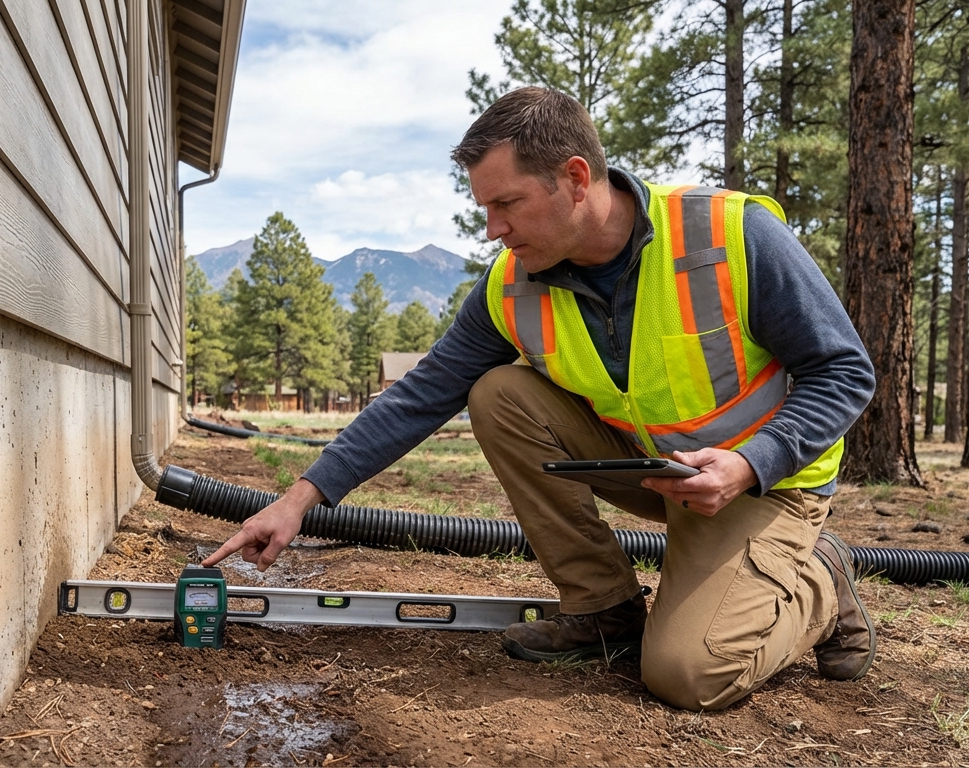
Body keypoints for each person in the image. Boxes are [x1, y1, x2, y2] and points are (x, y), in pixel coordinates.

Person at [203, 86, 877, 711]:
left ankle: (820, 578)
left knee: (688, 675)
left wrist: (752, 462)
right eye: (484, 210)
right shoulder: (511, 285)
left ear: (576, 180)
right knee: (497, 392)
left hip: (765, 483)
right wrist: (298, 502)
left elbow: (844, 372)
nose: (492, 229)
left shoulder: (729, 237)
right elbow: (422, 394)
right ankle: (604, 609)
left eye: (507, 204)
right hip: (659, 469)